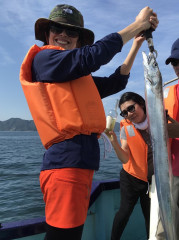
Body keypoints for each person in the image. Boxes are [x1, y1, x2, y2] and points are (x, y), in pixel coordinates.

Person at [19, 4, 158, 240]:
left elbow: (116, 83)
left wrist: (135, 44)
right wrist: (137, 24)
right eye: (57, 28)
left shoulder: (74, 76)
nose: (63, 35)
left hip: (79, 163)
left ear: (78, 39)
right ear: (47, 33)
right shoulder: (46, 59)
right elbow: (93, 56)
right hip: (66, 163)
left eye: (71, 32)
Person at [109, 92, 153, 240]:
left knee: (150, 217)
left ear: (141, 103)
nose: (129, 114)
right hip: (131, 178)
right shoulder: (125, 128)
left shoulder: (159, 120)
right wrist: (114, 141)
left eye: (131, 108)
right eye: (124, 112)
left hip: (152, 181)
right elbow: (125, 157)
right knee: (124, 212)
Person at [155, 38, 179, 240]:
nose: (177, 67)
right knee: (167, 227)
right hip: (173, 172)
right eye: (174, 62)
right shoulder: (169, 93)